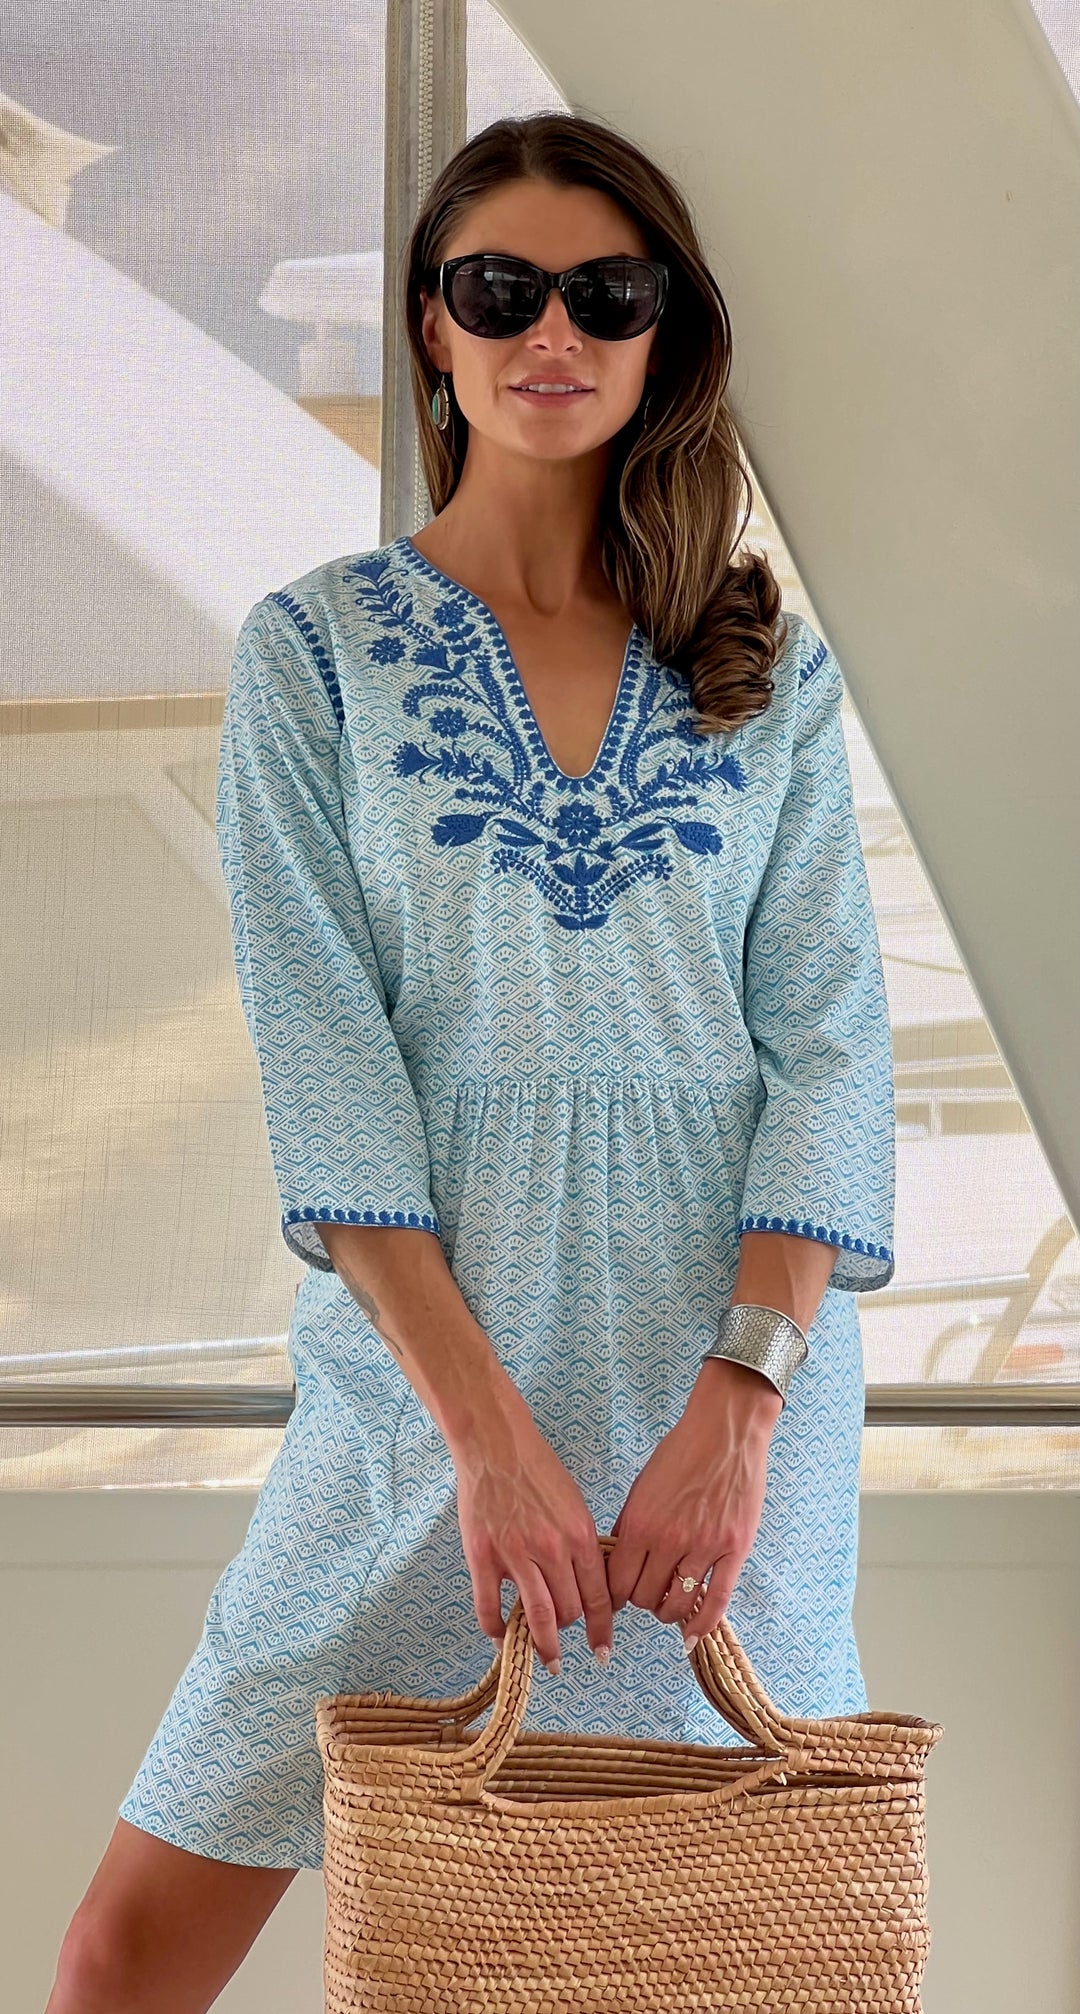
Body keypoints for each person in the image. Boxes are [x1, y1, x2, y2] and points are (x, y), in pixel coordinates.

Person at [46, 110, 895, 2013]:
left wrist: (742, 1405)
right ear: (433, 326)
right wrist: (488, 1443)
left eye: (610, 292)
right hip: (425, 1412)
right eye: (500, 288)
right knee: (123, 1953)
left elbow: (831, 1043)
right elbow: (325, 1062)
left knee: (710, 1957)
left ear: (667, 330)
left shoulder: (763, 667)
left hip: (723, 1427)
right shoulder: (317, 658)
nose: (554, 330)